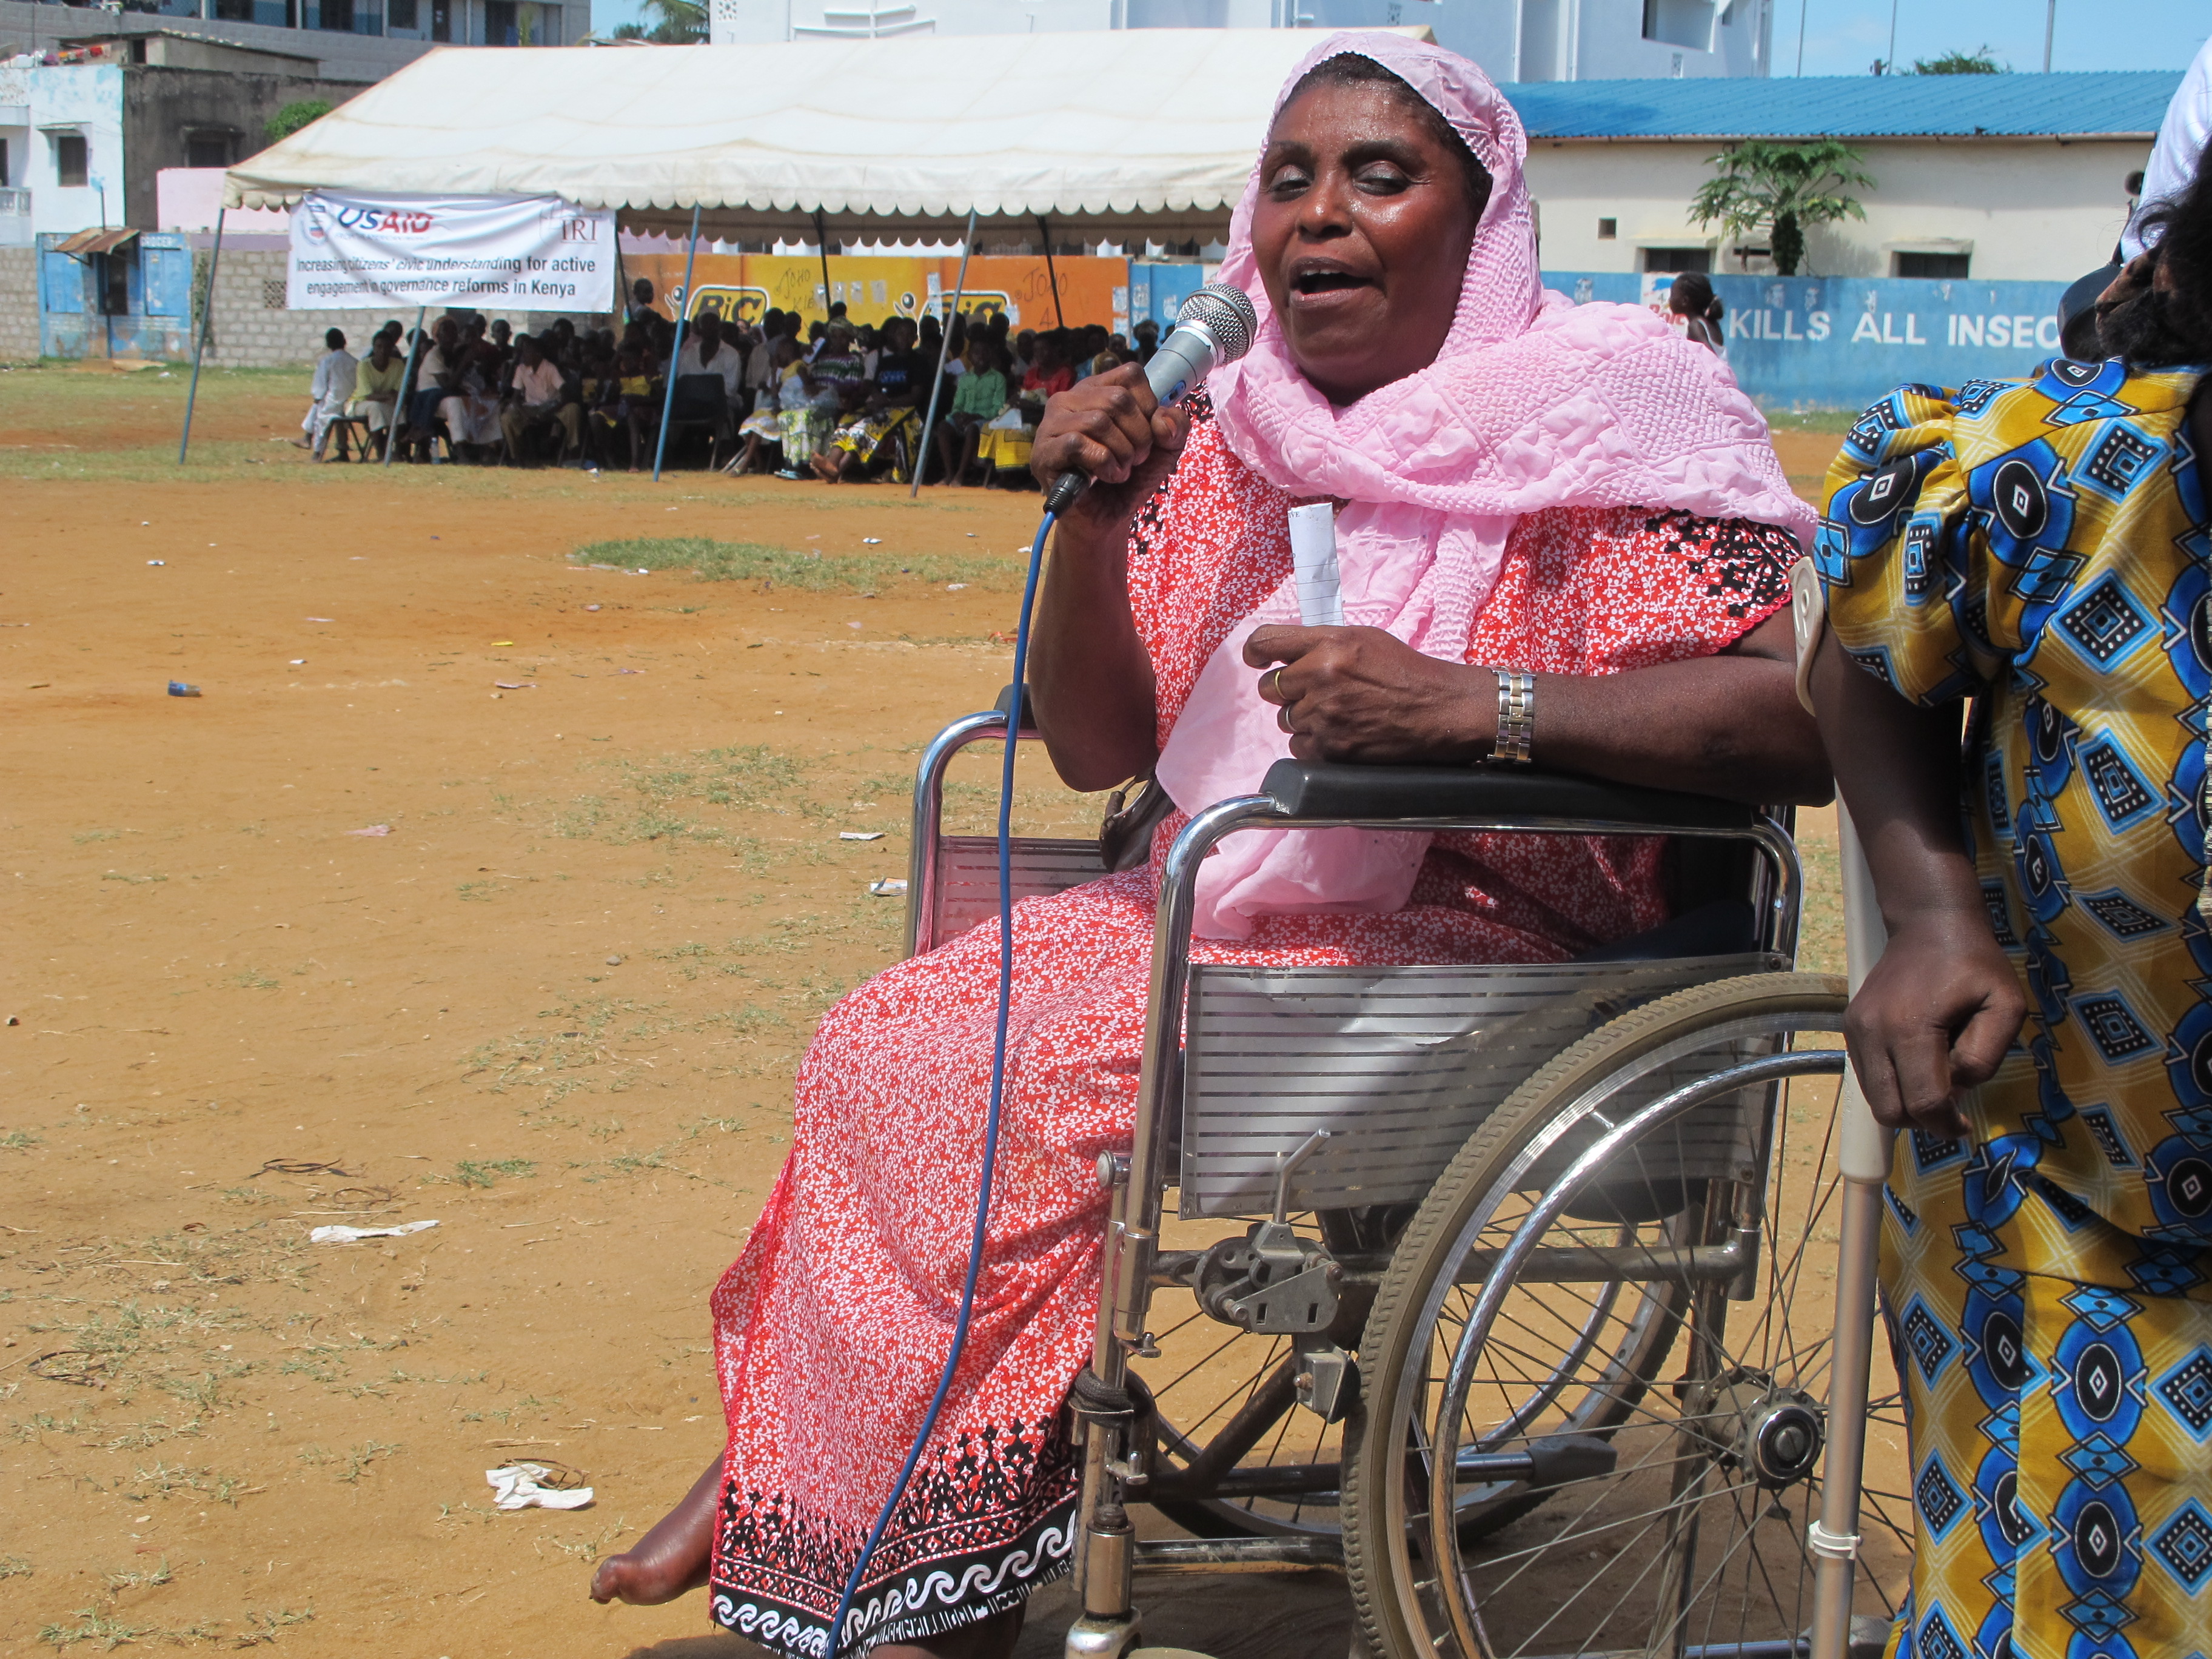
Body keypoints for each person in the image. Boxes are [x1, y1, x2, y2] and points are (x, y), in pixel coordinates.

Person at [588, 35, 1823, 1659]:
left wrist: (1473, 706)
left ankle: (899, 1548)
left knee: (982, 1079)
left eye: (1380, 175)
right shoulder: (1237, 429)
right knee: (880, 1044)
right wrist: (1099, 524)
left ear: (1483, 215)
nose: (1319, 214)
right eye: (1290, 178)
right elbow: (1105, 750)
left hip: (1507, 921)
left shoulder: (1615, 406)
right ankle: (830, 1482)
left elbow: (1788, 729)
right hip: (1241, 891)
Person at [1811, 149, 2212, 1659]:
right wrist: (1931, 916)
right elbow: (1864, 646)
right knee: (2049, 1604)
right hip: (2058, 1159)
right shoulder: (2054, 473)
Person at [931, 335, 1007, 486]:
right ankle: (949, 474)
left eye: (985, 352)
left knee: (972, 429)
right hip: (963, 418)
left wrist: (975, 416)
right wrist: (958, 415)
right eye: (976, 353)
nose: (981, 356)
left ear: (990, 355)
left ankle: (960, 475)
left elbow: (998, 409)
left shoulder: (998, 379)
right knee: (943, 428)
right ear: (970, 356)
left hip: (985, 420)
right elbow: (958, 404)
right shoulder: (965, 379)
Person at [500, 335, 580, 466]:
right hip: (530, 408)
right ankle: (516, 456)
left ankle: (573, 449)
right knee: (507, 418)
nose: (523, 355)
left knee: (573, 409)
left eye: (527, 352)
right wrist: (525, 414)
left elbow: (565, 395)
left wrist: (548, 413)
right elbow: (516, 397)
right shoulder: (521, 369)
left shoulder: (550, 369)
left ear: (538, 355)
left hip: (552, 408)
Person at [296, 327, 356, 460]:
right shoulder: (354, 361)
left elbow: (320, 387)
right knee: (323, 410)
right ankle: (343, 452)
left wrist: (318, 398)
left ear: (328, 345)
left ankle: (317, 452)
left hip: (333, 402)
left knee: (320, 416)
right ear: (345, 342)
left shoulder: (328, 361)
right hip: (352, 403)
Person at [346, 330, 406, 460]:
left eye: (387, 347)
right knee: (375, 407)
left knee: (401, 409)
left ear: (392, 348)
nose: (383, 351)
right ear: (373, 348)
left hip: (385, 402)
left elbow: (397, 392)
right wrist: (388, 396)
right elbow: (368, 395)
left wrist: (390, 397)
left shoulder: (398, 365)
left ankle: (398, 451)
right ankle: (381, 453)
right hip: (359, 404)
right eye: (379, 347)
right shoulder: (364, 366)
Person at [1666, 270, 1725, 353]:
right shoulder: (1711, 323)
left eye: (1672, 295)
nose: (1669, 300)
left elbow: (1709, 358)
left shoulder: (1695, 326)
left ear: (1685, 301)